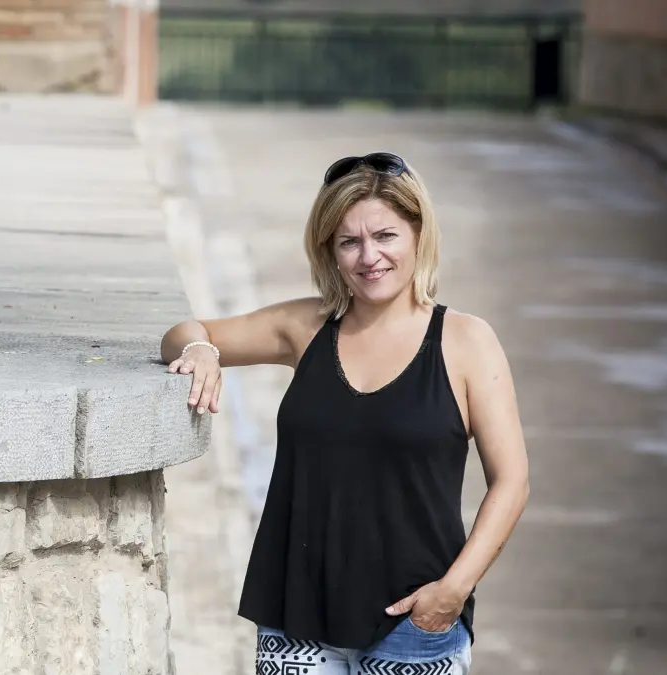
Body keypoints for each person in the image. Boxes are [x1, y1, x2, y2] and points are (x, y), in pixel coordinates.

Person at [159, 153, 529, 674]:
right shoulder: (307, 328)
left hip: (413, 620)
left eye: (385, 236)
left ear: (418, 234)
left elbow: (511, 482)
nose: (369, 256)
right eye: (349, 241)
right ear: (329, 251)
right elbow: (183, 332)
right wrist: (201, 351)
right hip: (295, 615)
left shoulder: (467, 342)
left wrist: (453, 590)